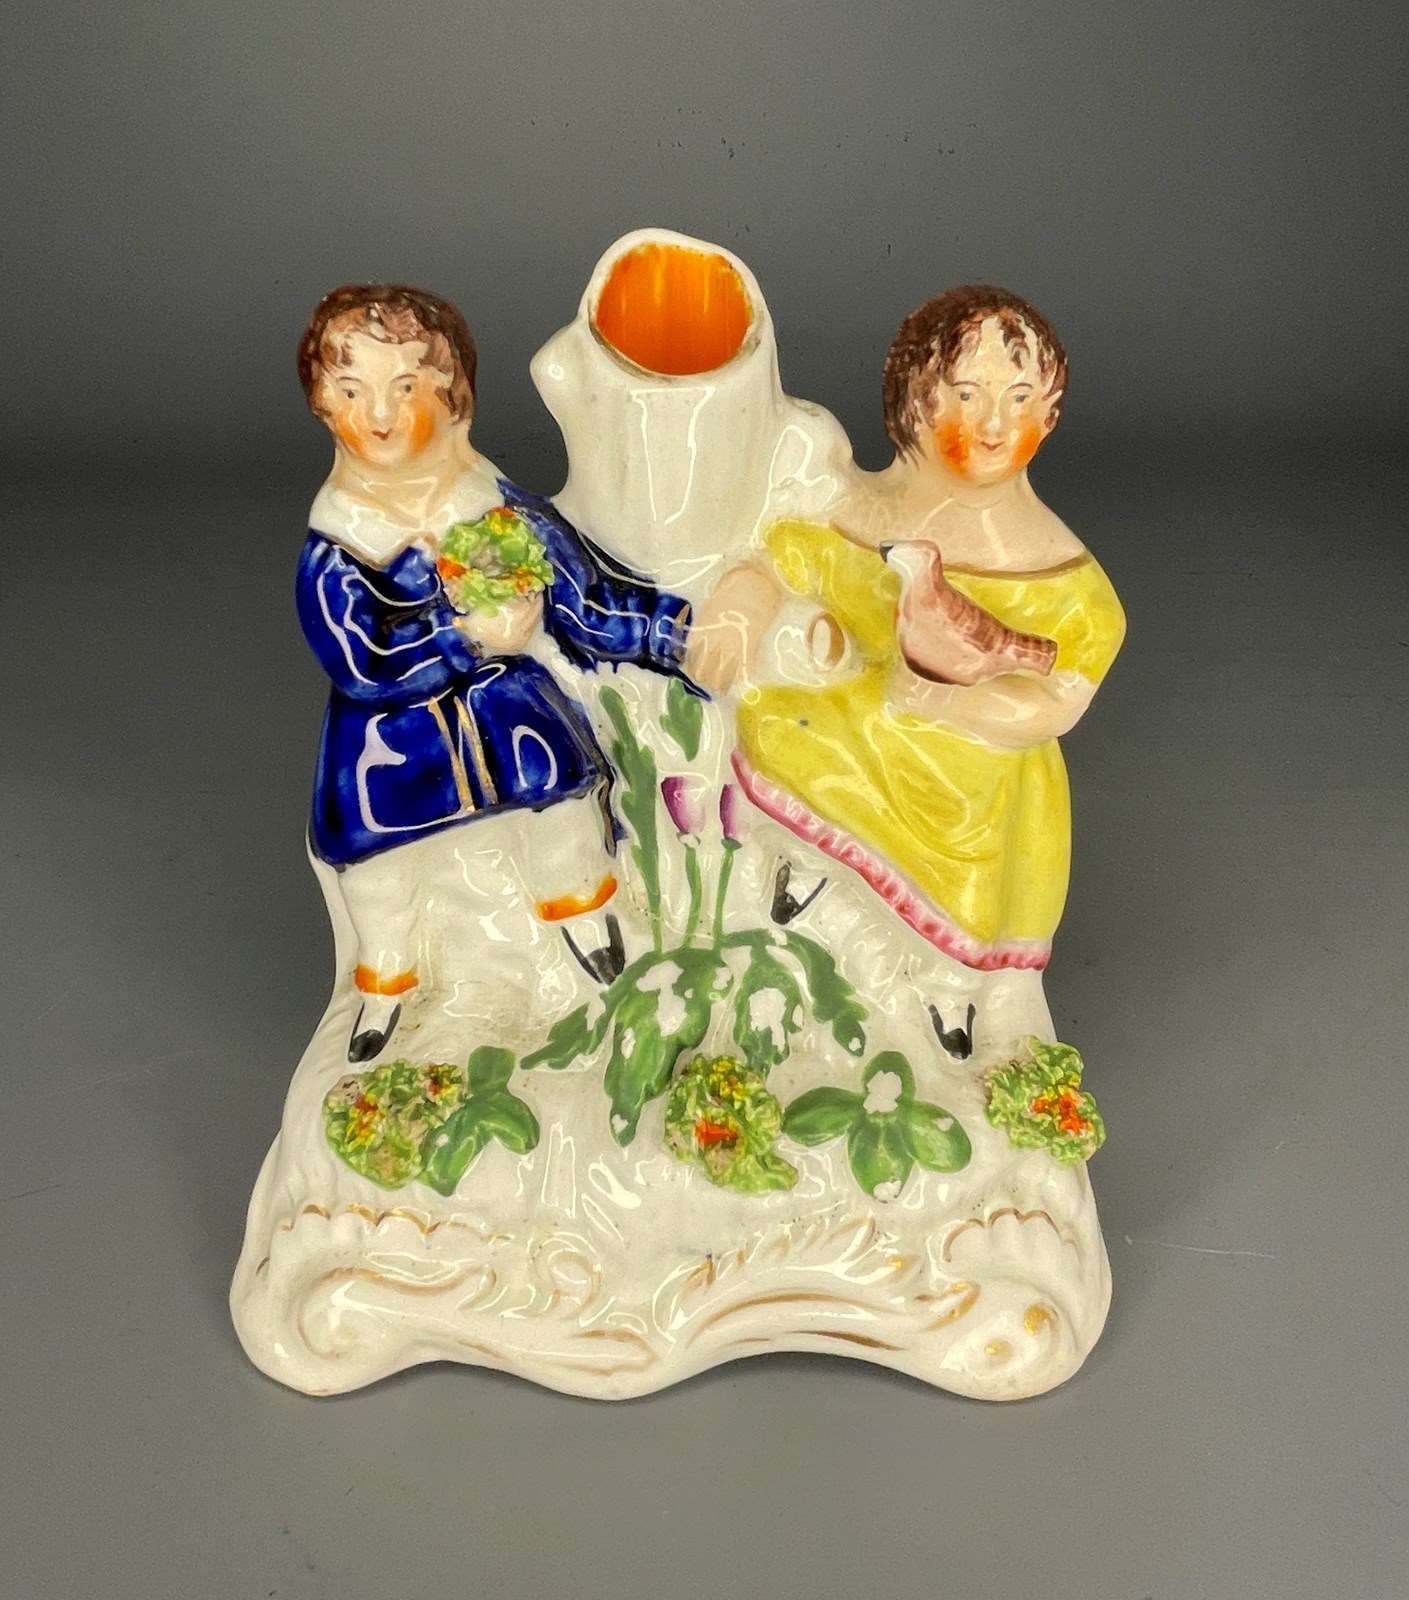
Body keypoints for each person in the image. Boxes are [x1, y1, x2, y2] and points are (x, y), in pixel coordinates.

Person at [703, 286, 1125, 1049]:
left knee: (985, 800)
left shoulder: (1063, 580)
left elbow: (1052, 705)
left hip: (965, 765)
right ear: (915, 399)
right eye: (967, 394)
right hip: (850, 709)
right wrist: (741, 600)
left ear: (1050, 411)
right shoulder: (857, 512)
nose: (994, 424)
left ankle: (949, 987)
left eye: (1020, 398)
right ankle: (808, 880)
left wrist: (939, 706)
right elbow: (780, 558)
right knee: (779, 718)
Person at [295, 284, 698, 1060]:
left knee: (563, 806)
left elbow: (583, 598)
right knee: (378, 874)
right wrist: (464, 635)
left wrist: (678, 633)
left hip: (503, 711)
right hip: (391, 743)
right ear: (321, 402)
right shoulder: (339, 541)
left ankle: (583, 917)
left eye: (403, 388)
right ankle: (387, 984)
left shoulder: (489, 507)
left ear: (453, 398)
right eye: (350, 391)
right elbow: (361, 659)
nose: (377, 415)